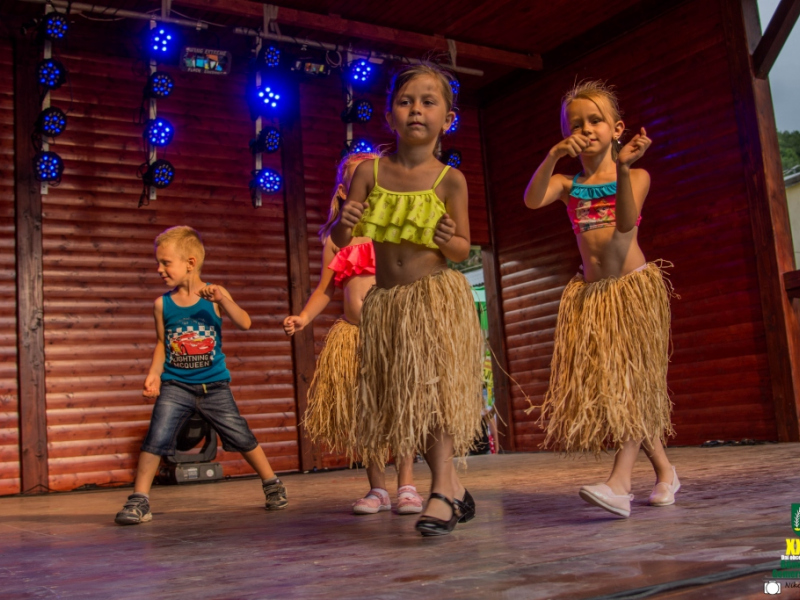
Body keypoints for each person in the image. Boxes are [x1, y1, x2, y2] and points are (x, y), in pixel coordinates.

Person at [332, 63, 484, 536]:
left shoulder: (449, 180)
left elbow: (463, 248)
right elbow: (342, 237)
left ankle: (440, 493)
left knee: (436, 395)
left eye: (428, 101)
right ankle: (453, 487)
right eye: (406, 101)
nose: (416, 109)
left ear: (447, 118)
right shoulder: (370, 172)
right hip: (389, 304)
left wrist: (446, 239)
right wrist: (345, 218)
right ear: (389, 114)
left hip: (434, 298)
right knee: (409, 403)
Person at [523, 80, 679, 518]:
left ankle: (620, 483)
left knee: (631, 385)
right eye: (577, 123)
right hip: (593, 296)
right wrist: (554, 154)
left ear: (617, 128)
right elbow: (532, 201)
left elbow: (627, 224)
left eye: (596, 120)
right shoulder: (567, 182)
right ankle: (665, 471)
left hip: (633, 290)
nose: (587, 128)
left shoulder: (638, 175)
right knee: (620, 388)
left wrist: (625, 169)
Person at [115, 226, 287, 525]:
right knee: (156, 436)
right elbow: (161, 342)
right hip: (176, 385)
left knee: (240, 434)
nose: (159, 269)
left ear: (190, 263)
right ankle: (139, 500)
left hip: (214, 386)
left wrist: (223, 299)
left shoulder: (214, 297)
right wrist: (154, 374)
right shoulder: (162, 304)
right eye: (159, 262)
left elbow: (245, 323)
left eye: (166, 262)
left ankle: (272, 484)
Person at [283, 151, 423, 516]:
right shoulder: (337, 237)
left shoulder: (393, 228)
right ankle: (377, 489)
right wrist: (303, 317)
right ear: (345, 191)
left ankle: (406, 485)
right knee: (368, 415)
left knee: (399, 409)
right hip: (355, 338)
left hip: (392, 334)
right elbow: (324, 290)